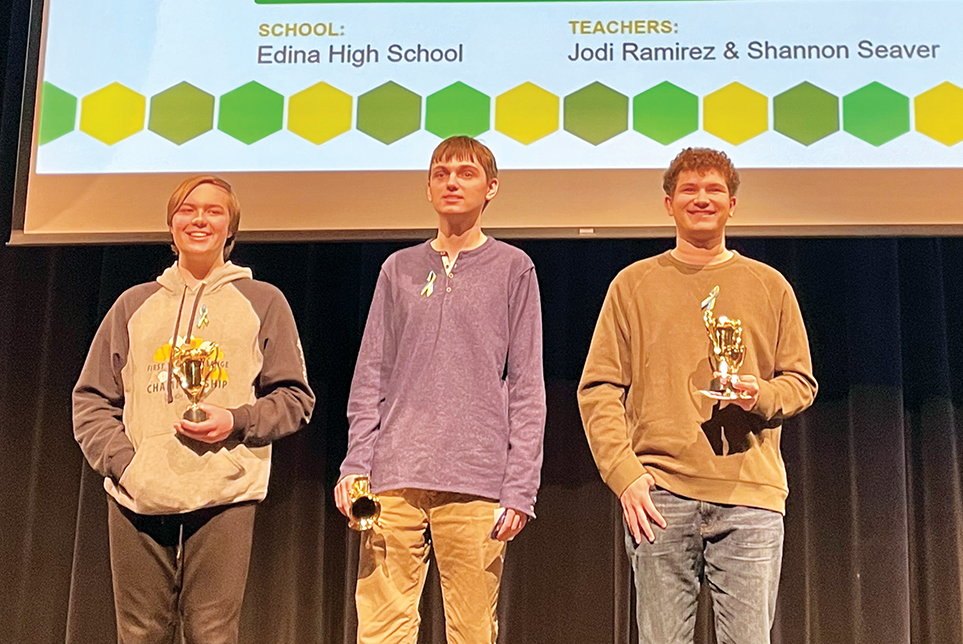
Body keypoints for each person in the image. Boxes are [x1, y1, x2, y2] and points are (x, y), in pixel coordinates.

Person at [578, 148, 817, 644]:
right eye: (689, 189)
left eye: (713, 190)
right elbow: (599, 388)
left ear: (732, 204)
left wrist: (760, 395)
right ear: (669, 204)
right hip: (659, 497)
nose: (701, 199)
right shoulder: (633, 285)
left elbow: (800, 382)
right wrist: (624, 476)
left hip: (749, 498)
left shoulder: (770, 286)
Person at [72, 175, 315, 644]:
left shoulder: (263, 301)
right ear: (171, 225)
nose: (199, 218)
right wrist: (127, 464)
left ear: (231, 229)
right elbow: (91, 399)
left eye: (213, 211)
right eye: (187, 209)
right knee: (139, 633)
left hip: (224, 491)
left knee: (212, 633)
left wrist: (237, 421)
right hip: (137, 492)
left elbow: (294, 398)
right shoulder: (133, 304)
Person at [335, 136, 545, 644]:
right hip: (395, 474)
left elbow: (527, 386)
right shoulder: (398, 268)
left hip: (476, 477)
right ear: (428, 187)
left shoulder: (513, 268)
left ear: (491, 188)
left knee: (472, 629)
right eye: (441, 173)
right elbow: (370, 376)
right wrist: (356, 465)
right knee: (383, 628)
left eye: (466, 173)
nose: (452, 181)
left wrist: (519, 486)